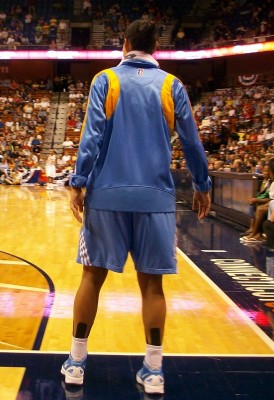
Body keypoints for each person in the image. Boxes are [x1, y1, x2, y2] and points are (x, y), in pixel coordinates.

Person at [61, 19, 211, 395]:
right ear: (155, 46)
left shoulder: (105, 80)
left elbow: (92, 136)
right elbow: (192, 142)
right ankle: (154, 370)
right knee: (153, 287)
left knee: (91, 278)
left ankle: (77, 363)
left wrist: (78, 183)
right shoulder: (171, 85)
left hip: (107, 197)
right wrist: (202, 184)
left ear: (125, 44)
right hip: (155, 199)